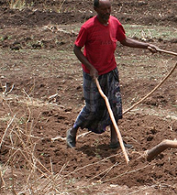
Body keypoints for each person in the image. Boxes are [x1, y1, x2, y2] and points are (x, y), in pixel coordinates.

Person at [66, 0, 158, 149]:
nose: (107, 12)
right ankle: (73, 131)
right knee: (92, 108)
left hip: (110, 70)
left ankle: (115, 141)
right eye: (103, 9)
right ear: (95, 9)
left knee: (115, 106)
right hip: (93, 74)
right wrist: (90, 67)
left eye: (109, 8)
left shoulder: (114, 22)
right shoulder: (88, 27)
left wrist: (146, 45)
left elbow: (124, 40)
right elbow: (76, 49)